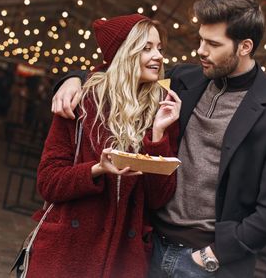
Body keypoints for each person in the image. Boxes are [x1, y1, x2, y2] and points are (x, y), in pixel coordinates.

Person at [52, 0, 266, 277]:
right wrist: (73, 78)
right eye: (201, 39)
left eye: (212, 44)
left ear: (245, 46)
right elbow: (125, 68)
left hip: (208, 263)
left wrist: (213, 256)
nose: (201, 51)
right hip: (149, 248)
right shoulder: (186, 79)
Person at [25, 15, 181, 278]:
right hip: (66, 254)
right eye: (147, 48)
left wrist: (158, 135)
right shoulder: (81, 102)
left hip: (123, 259)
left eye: (159, 48)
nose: (158, 56)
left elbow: (158, 199)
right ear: (124, 53)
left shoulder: (162, 110)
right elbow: (48, 181)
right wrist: (96, 169)